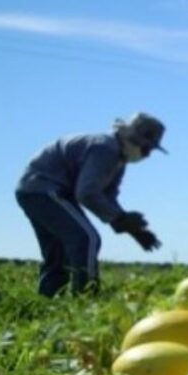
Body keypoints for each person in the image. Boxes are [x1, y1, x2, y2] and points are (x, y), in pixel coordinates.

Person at [15, 113, 166, 297]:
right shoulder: (105, 149)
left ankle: (48, 299)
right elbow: (86, 193)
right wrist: (120, 218)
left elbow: (107, 197)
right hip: (46, 189)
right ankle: (86, 297)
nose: (147, 155)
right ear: (134, 139)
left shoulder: (118, 157)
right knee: (86, 239)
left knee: (58, 250)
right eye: (147, 149)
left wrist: (133, 229)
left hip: (33, 190)